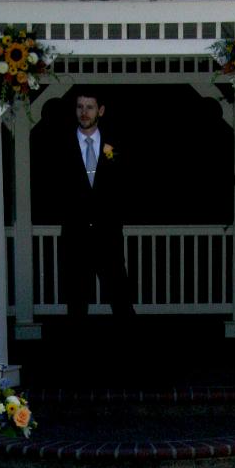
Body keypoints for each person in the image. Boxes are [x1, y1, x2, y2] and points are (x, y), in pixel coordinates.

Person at [57, 88, 136, 331]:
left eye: (89, 107)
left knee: (121, 300)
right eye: (80, 107)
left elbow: (127, 185)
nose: (84, 112)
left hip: (108, 237)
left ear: (100, 110)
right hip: (75, 238)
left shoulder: (117, 144)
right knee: (76, 304)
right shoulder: (61, 145)